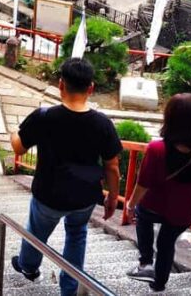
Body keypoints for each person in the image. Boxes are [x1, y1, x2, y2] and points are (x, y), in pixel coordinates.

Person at [10, 58, 122, 295]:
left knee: (37, 232)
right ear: (90, 88)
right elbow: (112, 167)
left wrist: (13, 133)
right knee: (77, 235)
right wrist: (112, 197)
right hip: (85, 196)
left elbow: (19, 148)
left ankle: (28, 267)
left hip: (49, 194)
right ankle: (69, 288)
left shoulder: (43, 117)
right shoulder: (103, 124)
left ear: (61, 84)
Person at [126, 93, 191, 292]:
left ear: (169, 119)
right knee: (166, 244)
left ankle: (146, 263)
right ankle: (158, 285)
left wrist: (131, 205)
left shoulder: (156, 149)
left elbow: (143, 184)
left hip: (152, 207)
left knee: (142, 215)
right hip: (183, 214)